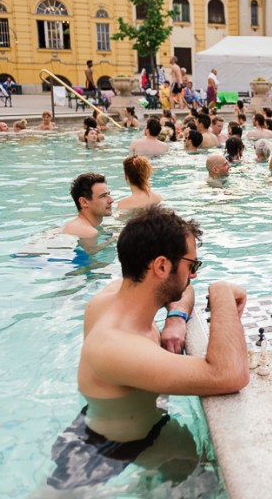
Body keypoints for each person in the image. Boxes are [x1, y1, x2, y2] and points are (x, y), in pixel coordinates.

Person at [54, 207, 247, 488]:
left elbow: (180, 290)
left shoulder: (116, 295)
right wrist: (221, 293)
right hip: (113, 448)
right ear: (160, 266)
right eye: (192, 266)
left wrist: (177, 317)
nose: (193, 275)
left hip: (124, 423)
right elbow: (231, 374)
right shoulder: (117, 346)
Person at [63, 173, 114, 240]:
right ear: (84, 202)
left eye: (108, 194)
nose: (111, 200)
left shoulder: (76, 226)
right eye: (103, 196)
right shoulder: (89, 233)